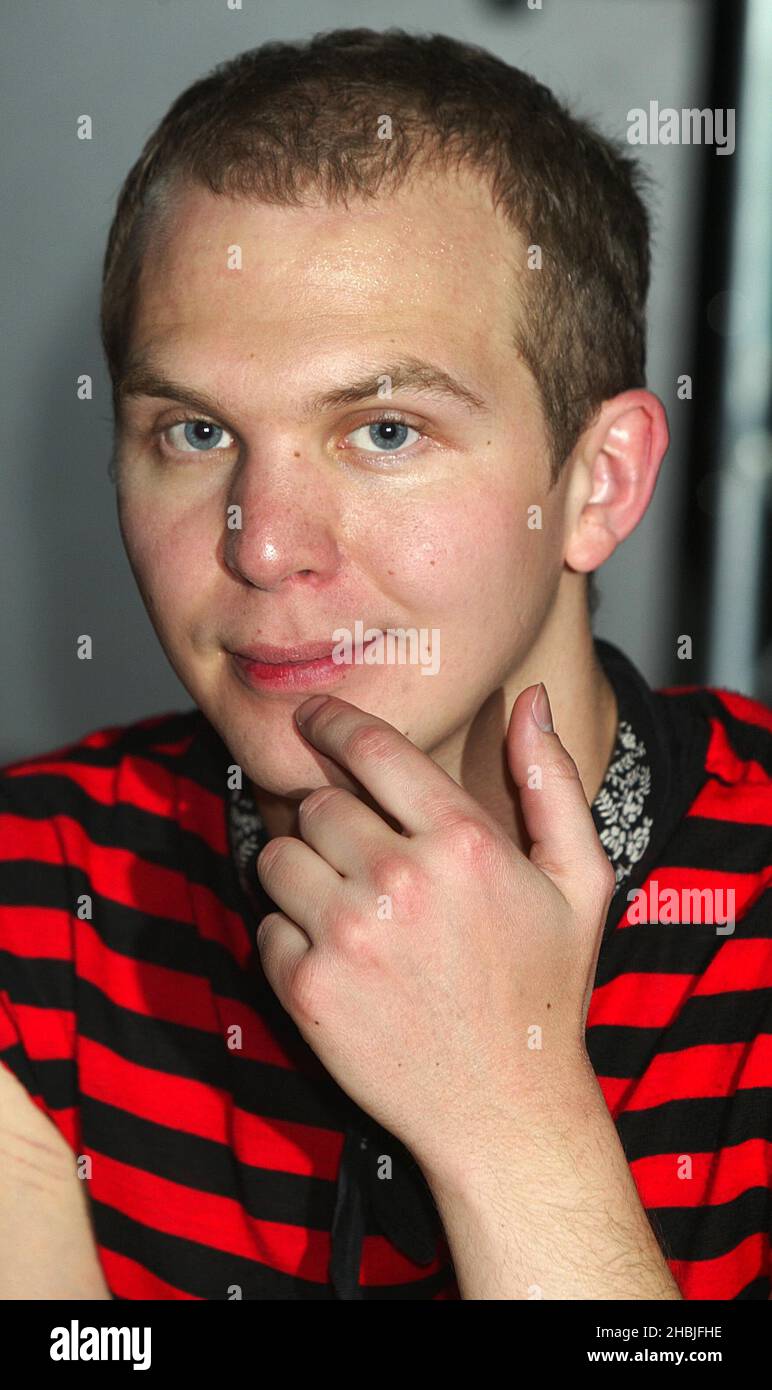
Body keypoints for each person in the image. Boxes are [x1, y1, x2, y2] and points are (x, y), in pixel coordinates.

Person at [1, 27, 770, 1302]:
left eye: (383, 429)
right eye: (194, 431)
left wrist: (512, 1118)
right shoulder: (36, 909)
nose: (262, 545)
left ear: (600, 481)